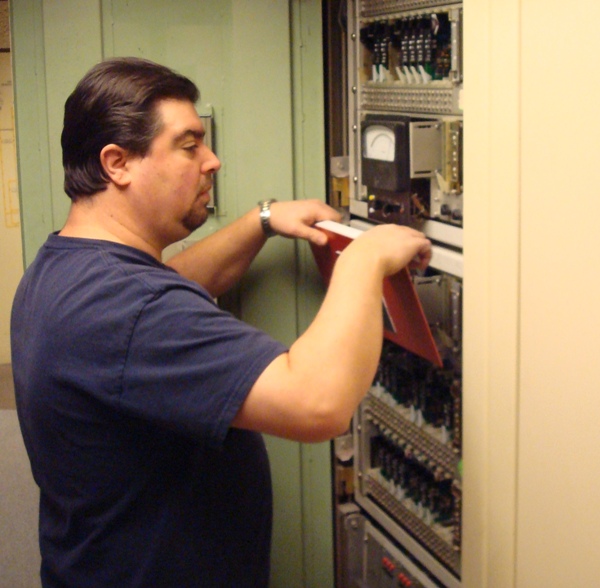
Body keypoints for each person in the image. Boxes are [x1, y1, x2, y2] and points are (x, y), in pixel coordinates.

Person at [11, 57, 431, 587]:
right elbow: (317, 404)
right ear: (118, 163)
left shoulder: (68, 271)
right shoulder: (129, 309)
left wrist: (261, 221)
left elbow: (172, 285)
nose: (212, 160)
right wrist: (367, 259)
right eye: (189, 145)